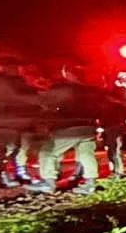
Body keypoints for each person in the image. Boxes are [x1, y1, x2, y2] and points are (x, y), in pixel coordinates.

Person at [28, 64, 102, 195]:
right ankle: (91, 184)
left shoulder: (61, 88)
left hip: (68, 127)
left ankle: (48, 183)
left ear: (67, 73)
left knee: (48, 152)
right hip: (88, 127)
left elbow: (47, 103)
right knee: (86, 155)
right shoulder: (92, 91)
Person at [0, 58, 41, 187]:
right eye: (16, 67)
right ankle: (2, 175)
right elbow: (14, 96)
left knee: (22, 147)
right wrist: (38, 99)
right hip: (7, 119)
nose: (19, 70)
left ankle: (20, 171)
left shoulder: (21, 80)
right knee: (7, 146)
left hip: (23, 118)